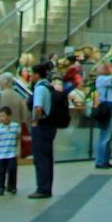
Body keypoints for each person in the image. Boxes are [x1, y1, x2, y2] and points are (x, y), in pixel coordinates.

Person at [29, 69, 65, 199]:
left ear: (37, 75)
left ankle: (42, 188)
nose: (30, 76)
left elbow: (38, 107)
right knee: (47, 157)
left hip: (41, 125)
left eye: (32, 73)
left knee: (40, 158)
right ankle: (47, 187)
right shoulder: (49, 87)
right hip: (50, 125)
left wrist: (35, 122)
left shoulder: (39, 89)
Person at [0, 106, 20, 195]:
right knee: (1, 171)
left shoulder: (15, 126)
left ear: (9, 116)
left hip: (11, 153)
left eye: (3, 116)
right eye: (0, 116)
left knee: (12, 170)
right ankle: (0, 187)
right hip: (2, 154)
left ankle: (12, 187)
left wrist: (18, 149)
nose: (1, 118)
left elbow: (18, 139)